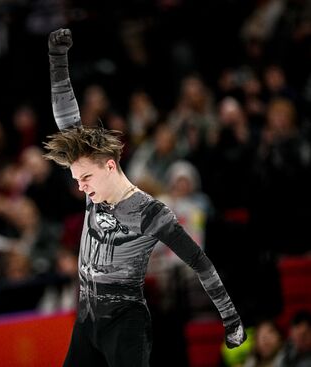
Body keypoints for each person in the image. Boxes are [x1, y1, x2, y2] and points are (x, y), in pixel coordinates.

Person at [43, 28, 247, 367]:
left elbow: (199, 262)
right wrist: (57, 60)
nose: (81, 187)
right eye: (77, 179)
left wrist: (231, 318)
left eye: (85, 178)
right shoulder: (94, 194)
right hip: (87, 319)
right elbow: (66, 119)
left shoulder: (151, 213)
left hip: (126, 322)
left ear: (110, 166)